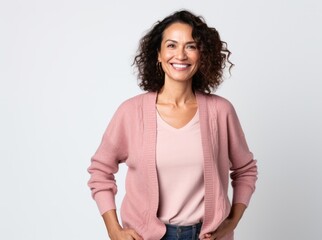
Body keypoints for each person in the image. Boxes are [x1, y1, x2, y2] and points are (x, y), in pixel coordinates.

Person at [87, 9, 258, 240]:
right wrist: (114, 230)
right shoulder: (131, 112)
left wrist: (230, 223)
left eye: (191, 46)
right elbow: (100, 171)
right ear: (158, 54)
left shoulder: (221, 111)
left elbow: (245, 170)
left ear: (202, 54)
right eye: (171, 45)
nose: (181, 55)